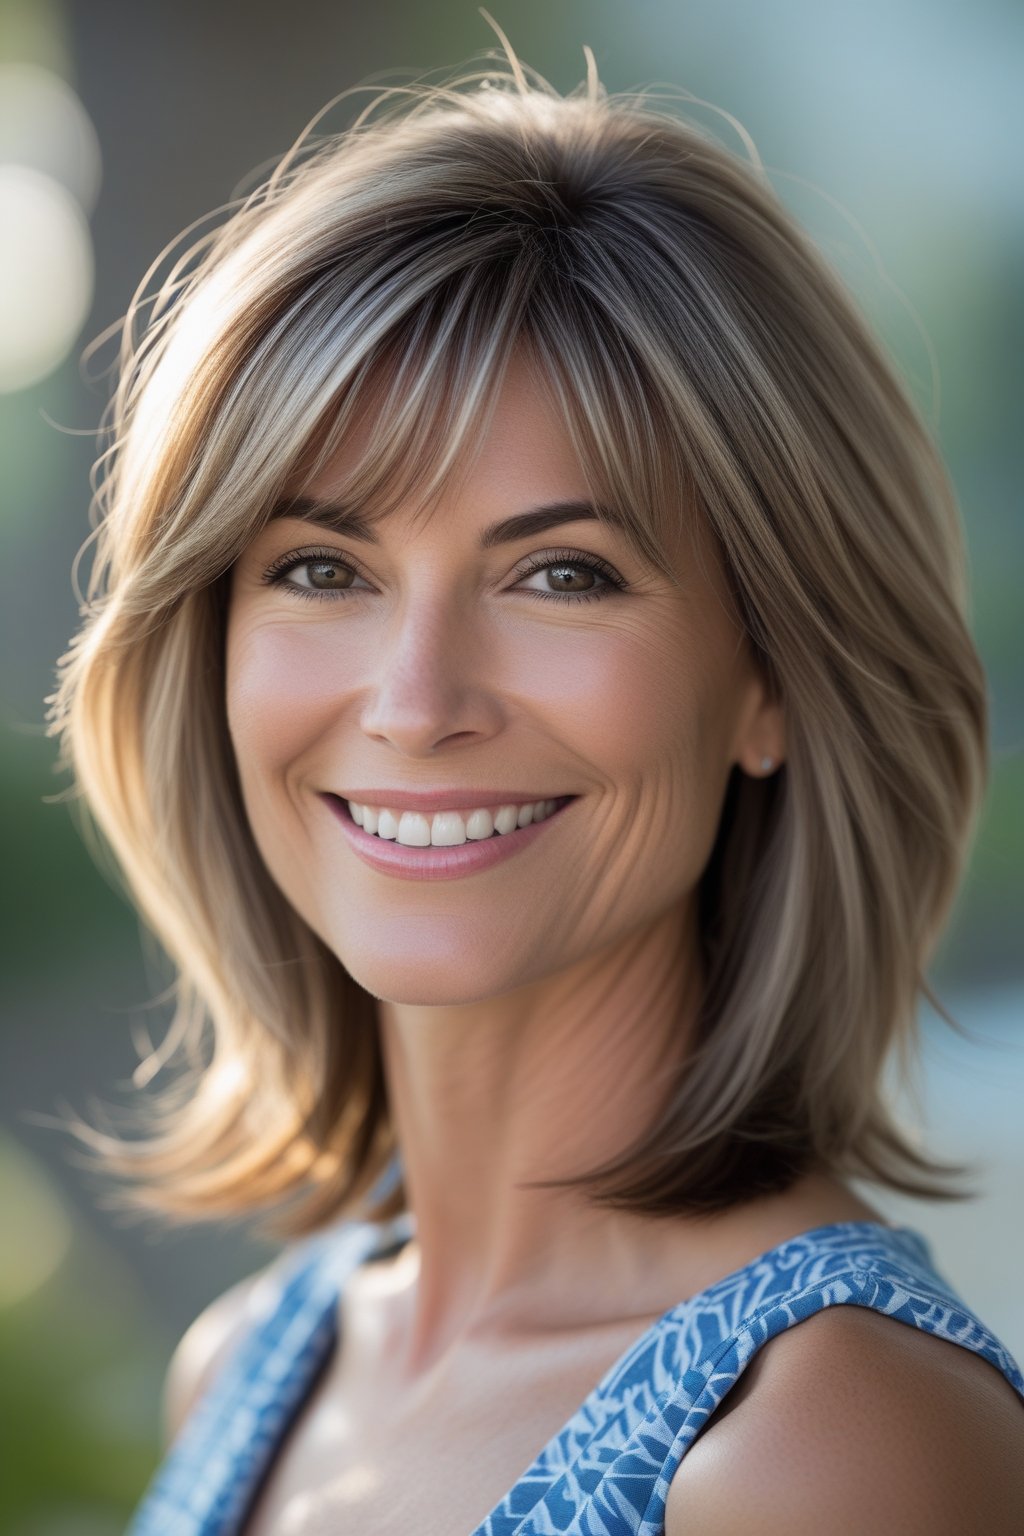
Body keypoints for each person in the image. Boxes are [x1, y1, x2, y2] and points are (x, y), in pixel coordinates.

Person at [47, 34, 1024, 1536]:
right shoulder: (253, 1362)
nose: (418, 702)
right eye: (322, 569)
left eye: (563, 574)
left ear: (772, 677)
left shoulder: (825, 1443)